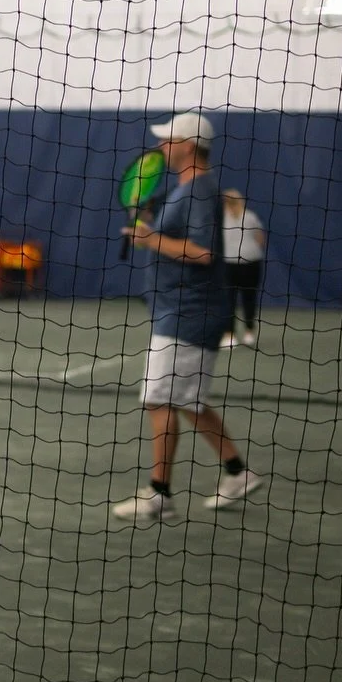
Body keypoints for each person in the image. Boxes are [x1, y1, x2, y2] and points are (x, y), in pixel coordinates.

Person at [115, 112, 265, 523]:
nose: (162, 146)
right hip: (182, 311)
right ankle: (238, 471)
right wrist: (150, 229)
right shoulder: (185, 190)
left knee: (158, 399)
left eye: (169, 139)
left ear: (187, 145)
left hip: (187, 314)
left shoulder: (198, 190)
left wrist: (151, 238)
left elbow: (203, 253)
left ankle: (158, 495)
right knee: (189, 402)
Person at [220, 188, 267, 348]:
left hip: (230, 264)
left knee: (228, 300)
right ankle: (249, 333)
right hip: (251, 263)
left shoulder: (220, 218)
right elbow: (260, 239)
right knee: (249, 298)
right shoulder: (250, 216)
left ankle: (229, 336)